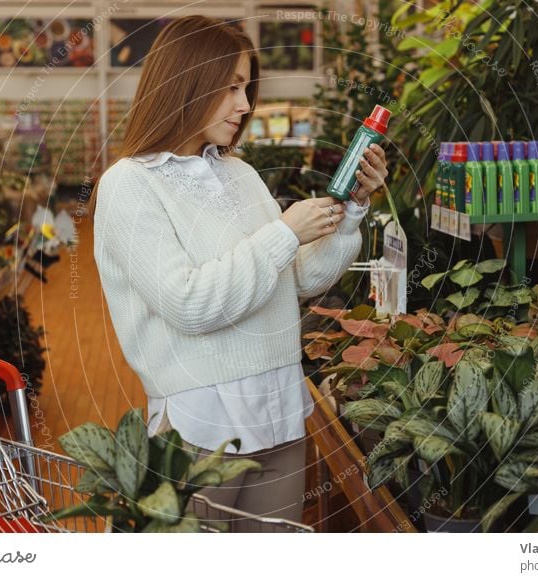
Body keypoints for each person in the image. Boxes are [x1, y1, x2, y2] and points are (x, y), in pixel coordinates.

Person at [90, 15, 388, 527]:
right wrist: (284, 233)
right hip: (204, 427)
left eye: (246, 87)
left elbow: (297, 279)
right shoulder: (130, 186)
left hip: (280, 412)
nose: (245, 104)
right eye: (230, 87)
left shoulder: (241, 173)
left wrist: (350, 212)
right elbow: (190, 305)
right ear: (186, 81)